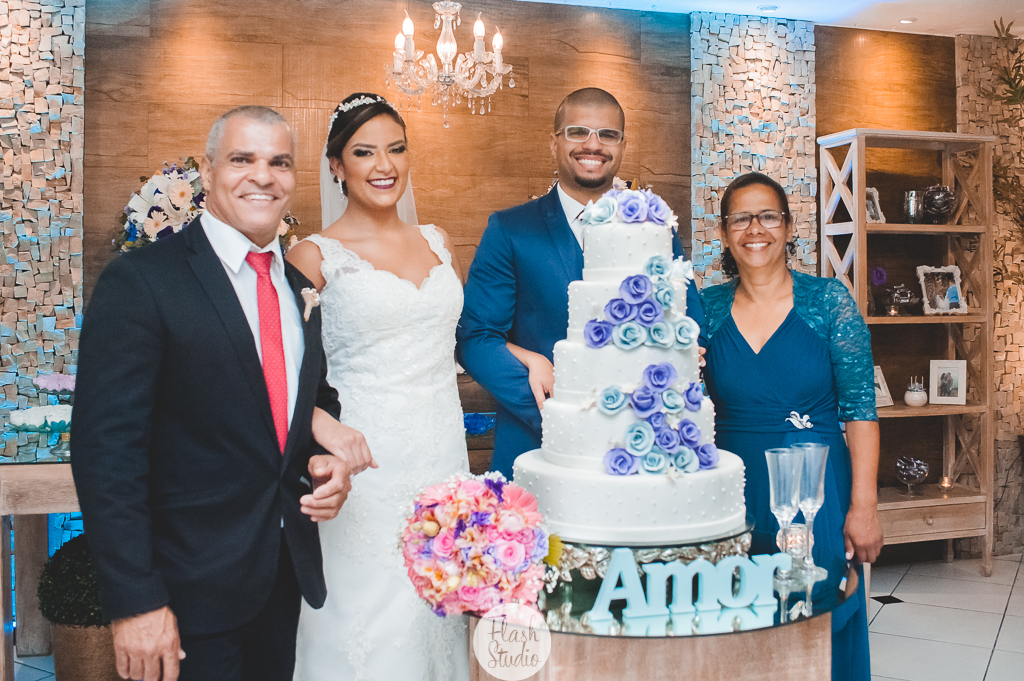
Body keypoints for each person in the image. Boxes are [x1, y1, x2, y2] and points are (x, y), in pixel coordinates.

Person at [72, 105, 370, 681]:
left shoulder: (298, 285)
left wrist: (325, 462)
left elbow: (309, 402)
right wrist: (136, 602)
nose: (264, 176)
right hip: (183, 592)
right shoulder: (141, 282)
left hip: (281, 576)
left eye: (279, 162)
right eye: (243, 159)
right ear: (207, 173)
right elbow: (106, 455)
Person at [286, 93, 470, 681]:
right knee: (367, 612)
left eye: (395, 148)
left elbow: (458, 341)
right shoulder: (313, 257)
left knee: (438, 607)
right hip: (361, 462)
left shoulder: (438, 242)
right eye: (364, 152)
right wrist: (323, 429)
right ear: (336, 166)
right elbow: (279, 367)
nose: (383, 165)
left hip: (444, 454)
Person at [457, 87, 705, 480]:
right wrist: (564, 416)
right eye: (578, 132)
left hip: (643, 454)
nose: (594, 145)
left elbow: (690, 322)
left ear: (623, 145)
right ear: (554, 141)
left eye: (608, 134)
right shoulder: (511, 229)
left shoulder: (654, 229)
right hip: (538, 448)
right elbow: (477, 338)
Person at [699, 172, 883, 681]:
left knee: (814, 612)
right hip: (732, 489)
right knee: (736, 623)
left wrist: (864, 508)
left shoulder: (829, 302)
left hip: (815, 486)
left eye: (767, 216)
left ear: (787, 226)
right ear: (723, 232)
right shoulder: (705, 308)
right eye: (740, 218)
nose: (754, 229)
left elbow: (861, 411)